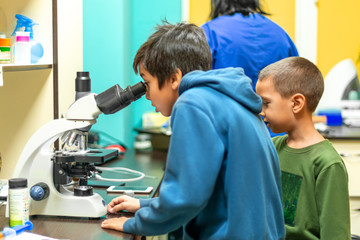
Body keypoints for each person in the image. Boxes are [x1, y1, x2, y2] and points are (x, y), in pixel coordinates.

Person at [101, 22, 285, 239]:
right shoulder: (230, 100)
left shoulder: (192, 103)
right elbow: (211, 191)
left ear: (173, 79)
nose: (147, 95)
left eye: (147, 83)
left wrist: (136, 224)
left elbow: (186, 197)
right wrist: (145, 205)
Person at [256, 56, 351, 239]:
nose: (261, 111)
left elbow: (335, 233)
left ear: (296, 103)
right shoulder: (273, 147)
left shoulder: (327, 163)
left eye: (266, 103)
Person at [201, 0, 299, 91]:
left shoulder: (209, 32)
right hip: (271, 109)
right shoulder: (281, 34)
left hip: (222, 108)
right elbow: (297, 81)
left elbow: (194, 82)